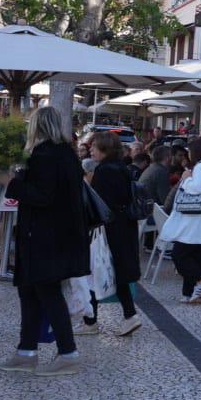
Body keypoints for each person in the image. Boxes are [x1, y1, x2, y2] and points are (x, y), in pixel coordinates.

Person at [0, 106, 90, 376]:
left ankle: (68, 353)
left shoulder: (45, 155)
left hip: (44, 237)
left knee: (47, 293)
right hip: (55, 235)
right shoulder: (66, 154)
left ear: (36, 127)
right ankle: (26, 351)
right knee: (29, 291)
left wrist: (10, 182)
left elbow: (42, 196)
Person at [80, 131, 142, 336]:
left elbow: (99, 204)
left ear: (104, 149)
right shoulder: (122, 168)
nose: (91, 149)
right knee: (116, 272)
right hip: (124, 226)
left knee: (94, 270)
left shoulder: (104, 171)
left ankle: (91, 322)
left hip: (108, 229)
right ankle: (129, 315)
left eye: (94, 146)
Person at [157, 136, 201, 304]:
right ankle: (192, 293)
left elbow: (197, 187)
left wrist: (185, 179)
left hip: (194, 223)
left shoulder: (200, 167)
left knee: (179, 255)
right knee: (198, 258)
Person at [139, 145, 173, 212]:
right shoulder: (161, 172)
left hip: (144, 210)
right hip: (152, 213)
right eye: (171, 155)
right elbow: (166, 201)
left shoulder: (152, 168)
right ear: (167, 157)